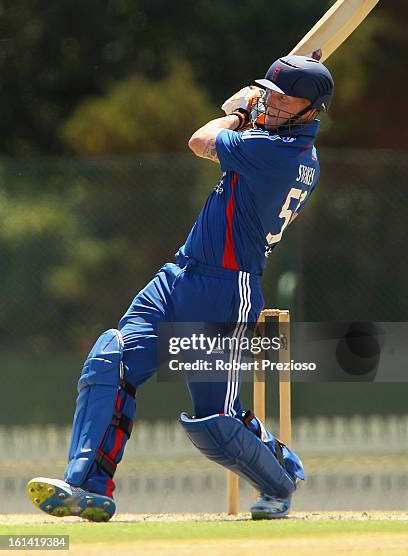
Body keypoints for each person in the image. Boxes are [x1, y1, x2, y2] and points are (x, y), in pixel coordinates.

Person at [27, 55, 334, 521]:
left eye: (280, 99)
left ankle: (280, 478)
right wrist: (255, 111)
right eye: (267, 93)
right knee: (111, 358)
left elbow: (200, 140)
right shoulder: (275, 140)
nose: (269, 103)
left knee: (215, 422)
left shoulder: (280, 154)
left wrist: (236, 112)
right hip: (180, 274)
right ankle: (86, 486)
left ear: (309, 111)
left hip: (227, 290)